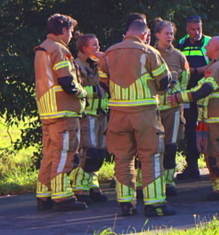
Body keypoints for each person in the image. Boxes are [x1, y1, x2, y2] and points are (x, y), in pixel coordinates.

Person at [99, 19, 176, 217]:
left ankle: (126, 204)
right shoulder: (149, 52)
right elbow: (165, 80)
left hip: (117, 114)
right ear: (144, 35)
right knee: (150, 157)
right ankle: (155, 203)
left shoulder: (108, 54)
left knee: (123, 159)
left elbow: (103, 83)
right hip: (145, 114)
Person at [168, 36, 219, 200]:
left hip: (217, 117)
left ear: (215, 48)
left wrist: (180, 97)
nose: (205, 49)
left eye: (208, 47)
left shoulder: (218, 67)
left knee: (218, 154)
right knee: (217, 153)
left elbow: (204, 89)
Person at [33, 13, 88, 211]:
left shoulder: (43, 49)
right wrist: (83, 92)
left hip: (47, 110)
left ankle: (44, 194)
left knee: (49, 154)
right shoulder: (59, 50)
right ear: (63, 30)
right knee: (65, 153)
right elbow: (67, 82)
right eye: (71, 31)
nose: (72, 36)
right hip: (64, 110)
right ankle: (62, 196)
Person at [69, 33, 109, 204]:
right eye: (94, 45)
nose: (97, 48)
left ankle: (92, 185)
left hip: (101, 113)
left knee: (99, 153)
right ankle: (80, 188)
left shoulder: (99, 64)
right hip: (88, 114)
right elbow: (78, 88)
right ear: (84, 48)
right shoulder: (77, 65)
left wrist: (105, 60)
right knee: (89, 152)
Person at [154, 19, 190, 197]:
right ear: (157, 35)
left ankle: (168, 181)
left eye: (171, 33)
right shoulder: (150, 54)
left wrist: (179, 95)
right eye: (166, 33)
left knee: (171, 145)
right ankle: (152, 180)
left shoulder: (179, 56)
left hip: (173, 108)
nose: (169, 37)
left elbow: (185, 79)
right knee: (152, 146)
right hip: (153, 109)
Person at [175, 15, 211, 180]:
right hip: (187, 92)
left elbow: (214, 66)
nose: (196, 33)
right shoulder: (181, 43)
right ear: (187, 29)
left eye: (199, 29)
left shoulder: (209, 43)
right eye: (193, 29)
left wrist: (194, 71)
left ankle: (213, 164)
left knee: (208, 129)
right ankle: (192, 165)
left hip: (205, 92)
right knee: (190, 129)